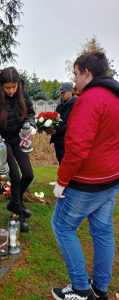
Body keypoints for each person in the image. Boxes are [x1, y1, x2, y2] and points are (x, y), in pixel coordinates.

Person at [51, 51, 119, 300]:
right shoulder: (115, 97)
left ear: (87, 73)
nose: (75, 80)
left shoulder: (90, 99)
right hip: (111, 178)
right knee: (102, 232)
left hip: (88, 181)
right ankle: (100, 288)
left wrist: (61, 180)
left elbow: (77, 147)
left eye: (76, 74)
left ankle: (81, 289)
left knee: (61, 226)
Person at [0, 67, 36, 233]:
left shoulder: (23, 93)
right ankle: (18, 214)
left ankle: (15, 202)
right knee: (14, 175)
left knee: (28, 174)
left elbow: (30, 113)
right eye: (8, 87)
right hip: (3, 141)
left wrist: (32, 125)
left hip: (19, 138)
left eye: (14, 87)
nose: (11, 91)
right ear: (1, 85)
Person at [47, 82, 76, 165]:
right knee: (61, 164)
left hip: (68, 143)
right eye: (61, 93)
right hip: (58, 141)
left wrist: (57, 131)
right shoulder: (59, 106)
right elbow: (55, 120)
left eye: (64, 92)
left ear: (70, 91)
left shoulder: (75, 105)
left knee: (68, 166)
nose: (61, 95)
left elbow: (72, 124)